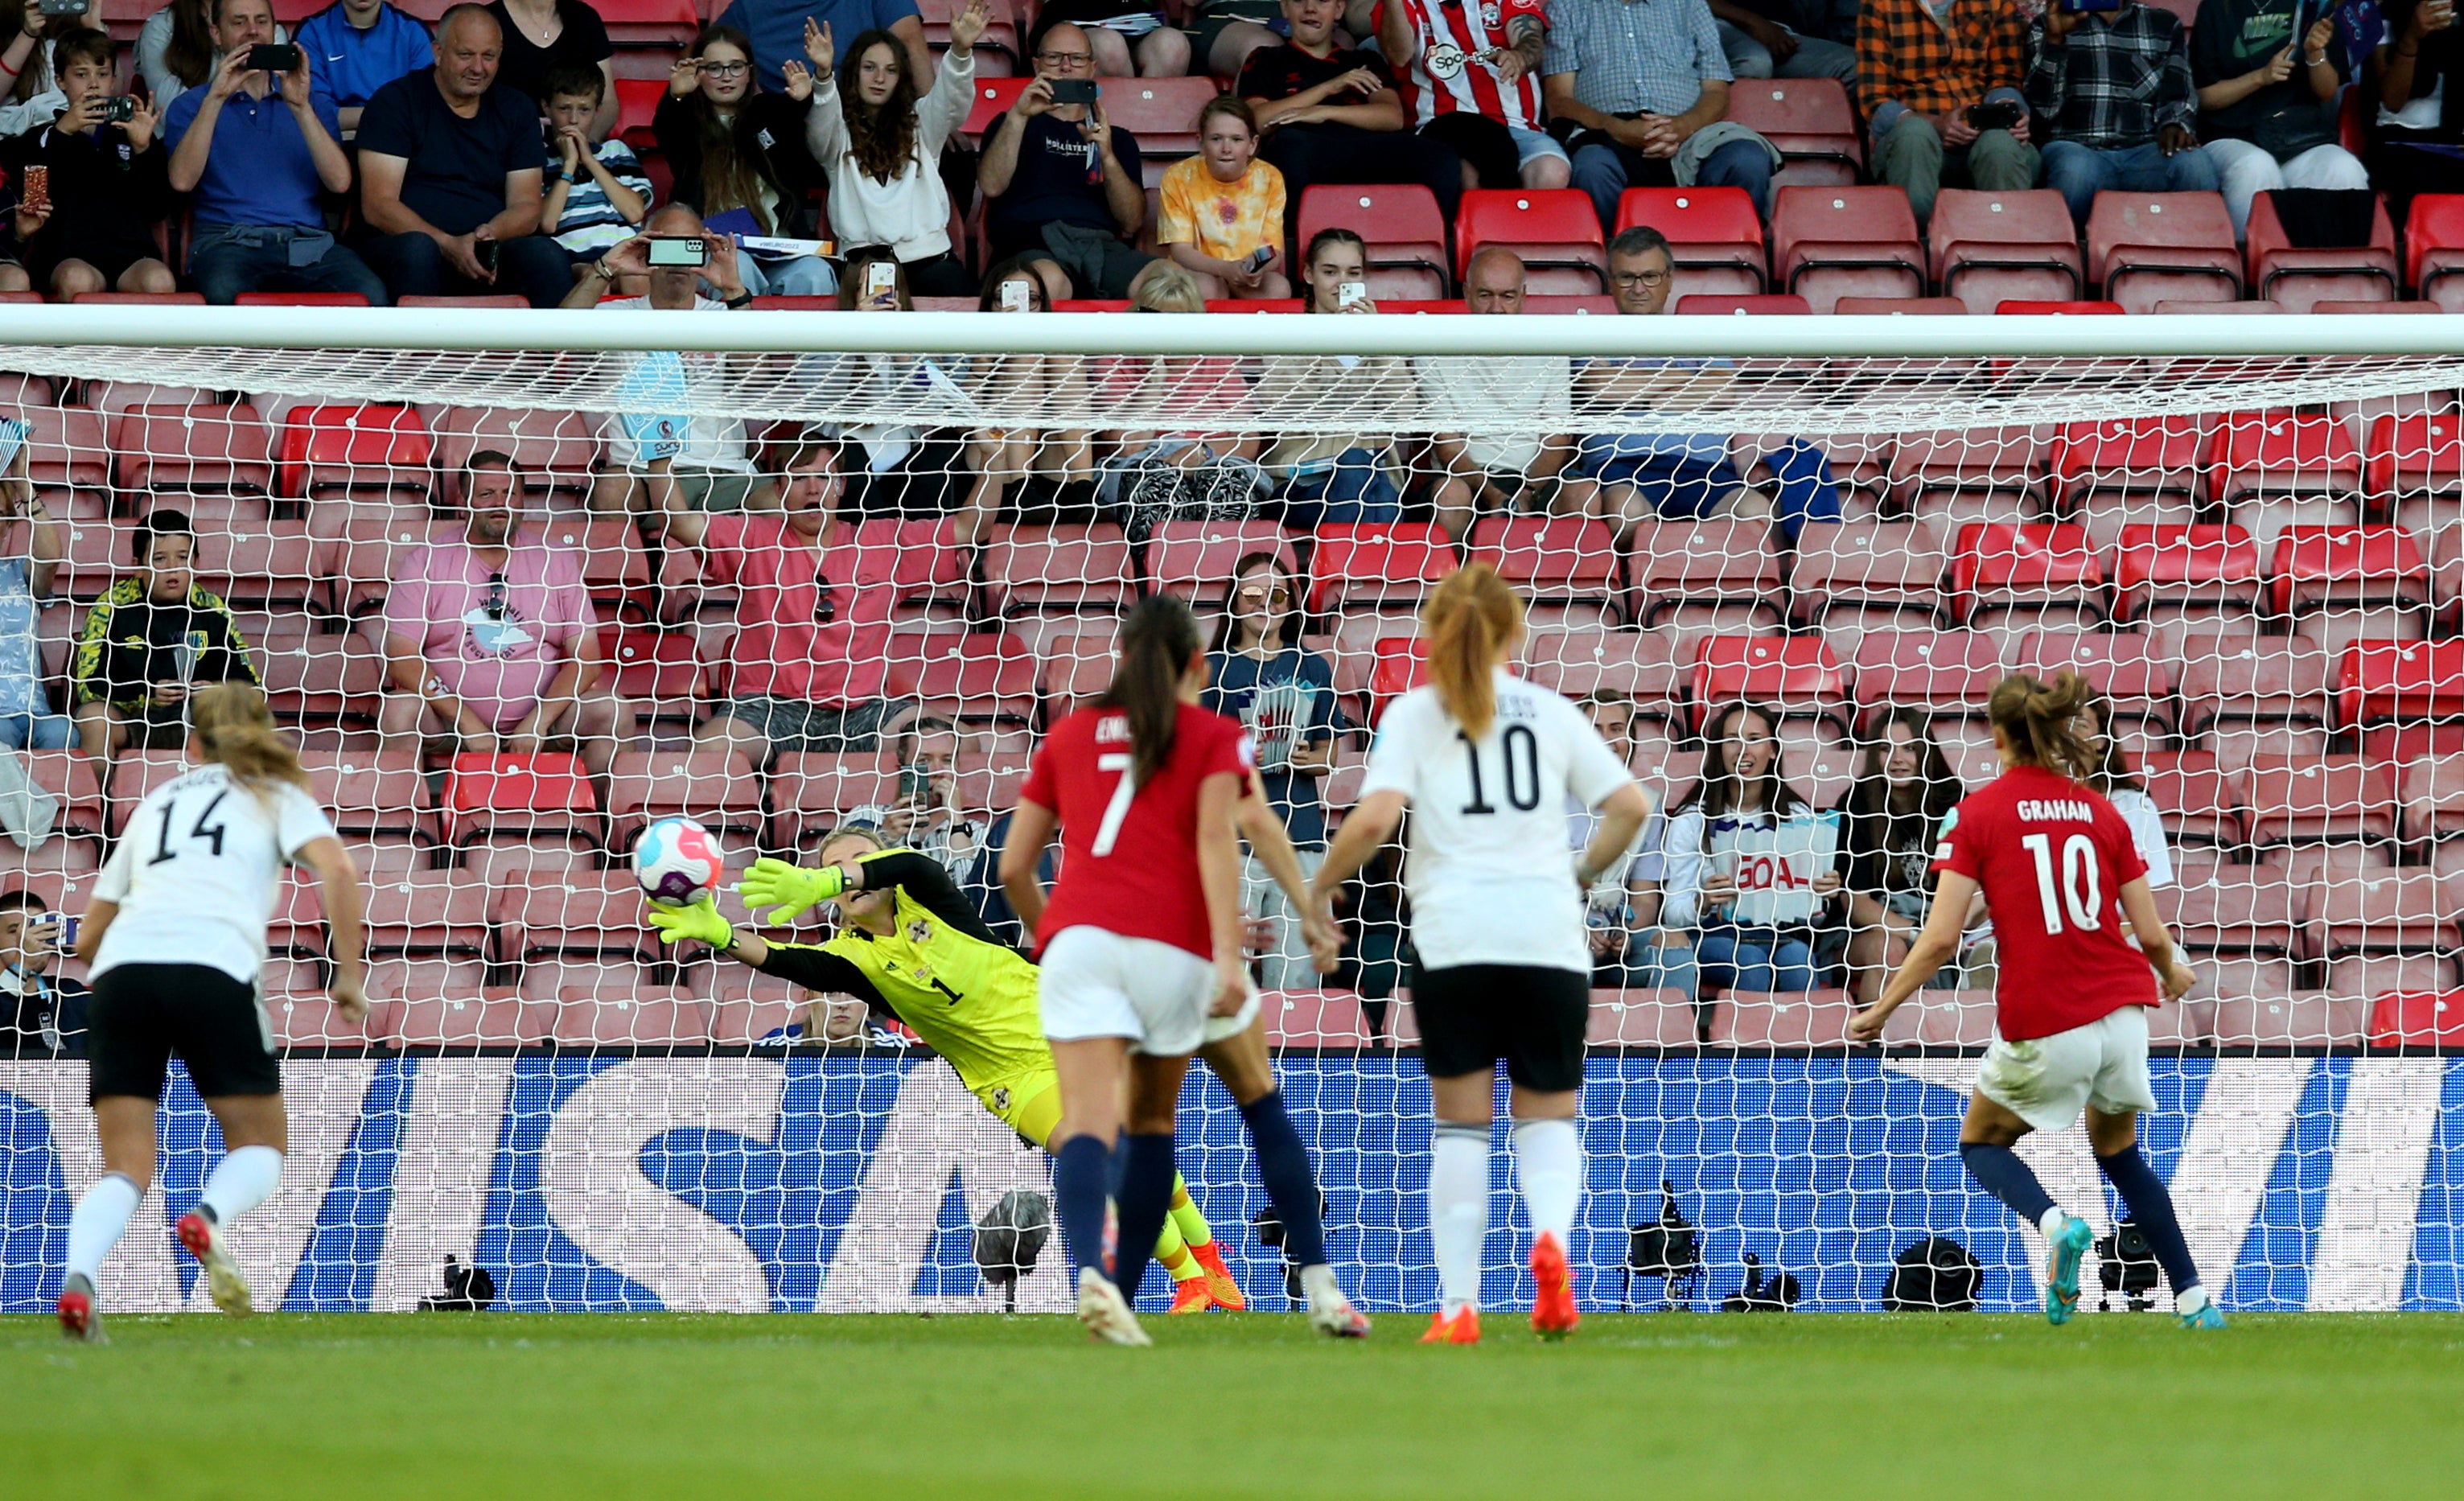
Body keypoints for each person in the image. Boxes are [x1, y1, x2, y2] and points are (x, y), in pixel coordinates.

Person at [646, 830, 1252, 1314]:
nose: (851, 875)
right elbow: (781, 958)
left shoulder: (929, 893)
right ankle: (1190, 1279)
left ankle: (1209, 1260)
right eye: (835, 870)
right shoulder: (854, 961)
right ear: (828, 901)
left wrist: (828, 873)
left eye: (859, 861)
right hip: (1010, 1076)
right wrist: (721, 933)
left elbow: (909, 863)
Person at [1000, 594, 1368, 1343]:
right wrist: (1295, 914)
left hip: (1077, 947)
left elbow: (1013, 867)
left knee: (1093, 1129)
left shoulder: (1068, 734)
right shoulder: (1208, 734)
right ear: (1198, 666)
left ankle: (1100, 1283)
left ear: (1124, 661)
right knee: (1248, 1105)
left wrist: (1056, 942)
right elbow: (1234, 832)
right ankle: (1320, 1285)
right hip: (1175, 949)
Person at [1312, 563, 1651, 1344]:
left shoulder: (1415, 714)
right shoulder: (1552, 712)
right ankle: (1553, 1248)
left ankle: (1460, 1307)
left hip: (1455, 939)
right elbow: (1631, 804)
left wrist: (1317, 887)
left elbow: (1372, 821)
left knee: (1463, 1129)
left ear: (1433, 632)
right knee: (1548, 1118)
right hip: (1545, 937)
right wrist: (1582, 872)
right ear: (1513, 631)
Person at [1847, 671, 2223, 1332]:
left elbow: (1939, 941)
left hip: (2050, 1013)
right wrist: (2172, 971)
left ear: (1995, 736)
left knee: (1981, 1143)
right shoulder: (2101, 808)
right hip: (2125, 1014)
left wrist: (1880, 1009)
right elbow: (2150, 931)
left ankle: (2057, 1226)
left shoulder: (1978, 812)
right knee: (2120, 1155)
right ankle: (2194, 1302)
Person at [55, 683, 367, 1342]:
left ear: (190, 744)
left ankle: (80, 1278)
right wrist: (348, 974)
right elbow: (337, 871)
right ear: (265, 733)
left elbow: (85, 939)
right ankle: (207, 1217)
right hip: (211, 970)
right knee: (261, 1146)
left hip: (120, 979)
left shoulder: (158, 801)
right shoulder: (277, 795)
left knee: (125, 1164)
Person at [658, 434, 912, 766]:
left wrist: (991, 461)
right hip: (770, 706)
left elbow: (970, 530)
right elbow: (680, 523)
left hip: (864, 708)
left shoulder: (880, 541)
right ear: (778, 489)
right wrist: (659, 456)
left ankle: (907, 818)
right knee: (708, 756)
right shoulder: (755, 537)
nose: (813, 488)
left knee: (953, 742)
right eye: (798, 477)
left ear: (841, 486)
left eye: (824, 477)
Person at [1573, 226, 1839, 542]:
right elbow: (1601, 387)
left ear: (1669, 279)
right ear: (1611, 282)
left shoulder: (1700, 334)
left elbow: (1722, 391)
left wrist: (1640, 392)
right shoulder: (1590, 335)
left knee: (1755, 512)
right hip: (1623, 469)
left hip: (1704, 471)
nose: (1638, 288)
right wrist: (1680, 380)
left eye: (1650, 276)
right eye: (1626, 277)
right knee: (1624, 513)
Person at [378, 450, 632, 778]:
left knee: (614, 711)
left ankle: (603, 827)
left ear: (523, 501)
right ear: (462, 500)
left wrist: (537, 723)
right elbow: (402, 657)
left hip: (545, 722)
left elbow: (586, 658)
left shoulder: (556, 559)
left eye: (509, 494)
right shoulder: (425, 561)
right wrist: (468, 724)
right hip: (448, 723)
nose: (500, 503)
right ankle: (407, 825)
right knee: (398, 710)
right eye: (486, 494)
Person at [164, 0, 387, 306]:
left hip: (309, 244)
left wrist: (300, 108)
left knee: (370, 294)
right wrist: (216, 98)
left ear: (275, 29)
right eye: (239, 22)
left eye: (262, 21)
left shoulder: (312, 104)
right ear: (216, 33)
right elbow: (181, 181)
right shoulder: (190, 105)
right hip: (228, 242)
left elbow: (339, 183)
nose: (252, 31)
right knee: (223, 293)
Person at [355, 6, 573, 306]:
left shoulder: (516, 109)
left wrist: (488, 236)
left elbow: (526, 207)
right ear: (438, 52)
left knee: (546, 256)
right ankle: (412, 354)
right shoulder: (395, 101)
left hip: (487, 250)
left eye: (489, 56)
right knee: (419, 250)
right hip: (405, 246)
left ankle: (557, 355)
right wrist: (447, 245)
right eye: (466, 55)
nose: (478, 68)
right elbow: (378, 206)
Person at [569, 208, 764, 519]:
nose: (678, 259)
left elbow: (757, 375)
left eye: (690, 247)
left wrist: (733, 290)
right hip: (639, 472)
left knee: (777, 500)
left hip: (724, 472)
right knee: (610, 490)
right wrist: (607, 267)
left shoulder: (725, 316)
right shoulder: (617, 316)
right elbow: (560, 340)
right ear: (647, 251)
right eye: (667, 246)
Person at [1203, 551, 1341, 989]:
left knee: (1297, 980)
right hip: (1233, 844)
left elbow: (1329, 753)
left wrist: (1308, 759)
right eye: (1254, 593)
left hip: (1300, 838)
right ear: (1234, 602)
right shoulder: (1213, 671)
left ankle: (1291, 1061)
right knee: (1227, 978)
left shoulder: (1313, 666)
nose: (1267, 603)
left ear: (1291, 602)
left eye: (1278, 593)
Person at [1542, 0, 1781, 230]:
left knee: (1747, 159)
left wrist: (1683, 126)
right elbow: (1559, 101)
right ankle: (1616, 262)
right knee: (1592, 166)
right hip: (1607, 134)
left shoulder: (1689, 4)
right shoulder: (1566, 6)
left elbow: (1717, 92)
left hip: (1689, 132)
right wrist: (1618, 130)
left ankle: (1725, 262)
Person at [805, 4, 986, 297]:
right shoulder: (838, 132)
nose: (879, 78)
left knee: (961, 303)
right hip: (862, 265)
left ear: (901, 77)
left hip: (930, 262)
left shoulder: (922, 124)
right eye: (869, 68)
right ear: (854, 72)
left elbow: (951, 101)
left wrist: (961, 52)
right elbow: (820, 125)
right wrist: (824, 75)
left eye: (891, 70)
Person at [1658, 700, 1838, 994]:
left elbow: (1813, 920)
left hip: (1780, 935)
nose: (1743, 750)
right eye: (1732, 740)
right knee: (1750, 961)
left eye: (1754, 740)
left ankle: (1803, 1041)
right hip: (1708, 936)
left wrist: (1823, 897)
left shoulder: (1798, 818)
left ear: (1773, 750)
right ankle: (1741, 1042)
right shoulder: (1691, 819)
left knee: (1798, 960)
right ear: (1718, 750)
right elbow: (1672, 915)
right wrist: (1703, 901)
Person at [1238, 0, 1466, 232]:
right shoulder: (1266, 58)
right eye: (1299, 1)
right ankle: (1296, 249)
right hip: (1305, 147)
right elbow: (1259, 121)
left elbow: (1392, 117)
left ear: (1339, 10)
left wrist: (1323, 112)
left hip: (1363, 146)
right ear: (1285, 8)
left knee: (1440, 157)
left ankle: (1430, 247)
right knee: (1290, 147)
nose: (1310, 8)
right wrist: (1329, 87)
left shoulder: (1363, 60)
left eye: (1323, 2)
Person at [70, 510, 260, 787]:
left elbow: (252, 687)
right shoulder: (111, 607)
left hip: (199, 723)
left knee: (239, 716)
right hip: (134, 719)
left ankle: (232, 810)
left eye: (182, 557)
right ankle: (98, 816)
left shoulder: (213, 609)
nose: (173, 567)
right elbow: (88, 686)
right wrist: (147, 694)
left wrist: (216, 692)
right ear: (138, 565)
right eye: (160, 559)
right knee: (94, 717)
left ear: (195, 562)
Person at [977, 23, 1162, 300]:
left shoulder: (1117, 138)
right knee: (1046, 283)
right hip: (1031, 243)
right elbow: (991, 186)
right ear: (1037, 65)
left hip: (1100, 247)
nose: (1066, 67)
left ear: (1092, 68)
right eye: (1054, 57)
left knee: (1169, 282)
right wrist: (1018, 116)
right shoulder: (1010, 123)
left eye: (1077, 59)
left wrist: (1108, 158)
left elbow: (1132, 222)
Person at [1417, 246, 1586, 541]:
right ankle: (1454, 586)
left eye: (1507, 296)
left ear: (1523, 296)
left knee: (1584, 494)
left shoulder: (1551, 346)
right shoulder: (1434, 347)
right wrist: (1493, 494)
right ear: (1467, 293)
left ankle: (1566, 588)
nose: (1496, 308)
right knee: (1450, 494)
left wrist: (1528, 492)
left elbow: (1557, 438)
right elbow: (1447, 446)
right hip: (1464, 478)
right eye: (1485, 295)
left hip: (1536, 479)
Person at [655, 23, 836, 299]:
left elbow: (810, 149)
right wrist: (676, 96)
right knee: (737, 266)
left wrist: (811, 92)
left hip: (782, 249)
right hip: (718, 252)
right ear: (699, 74)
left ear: (750, 71)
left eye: (736, 66)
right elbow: (668, 131)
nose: (726, 76)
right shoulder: (688, 125)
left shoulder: (770, 112)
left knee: (815, 273)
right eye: (714, 68)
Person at [0, 31, 175, 299]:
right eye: (81, 75)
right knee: (76, 279)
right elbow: (32, 201)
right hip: (68, 255)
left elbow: (158, 208)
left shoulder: (134, 134)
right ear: (60, 81)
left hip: (131, 255)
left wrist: (144, 150)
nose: (93, 84)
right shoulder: (42, 136)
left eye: (102, 74)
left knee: (160, 280)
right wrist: (63, 133)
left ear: (115, 81)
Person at [1255, 229, 1409, 526]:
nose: (1343, 283)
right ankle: (1367, 570)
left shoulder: (1382, 339)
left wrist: (1380, 345)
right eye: (1330, 272)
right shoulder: (1283, 337)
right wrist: (1324, 342)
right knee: (1356, 465)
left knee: (1361, 470)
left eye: (1353, 273)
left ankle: (1343, 572)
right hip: (1299, 486)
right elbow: (1287, 408)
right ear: (1309, 275)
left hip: (1375, 482)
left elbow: (1405, 414)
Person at [2028, 0, 2219, 231]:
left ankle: (2193, 261)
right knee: (2076, 173)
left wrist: (2175, 124)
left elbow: (2180, 94)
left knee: (2195, 165)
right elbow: (2041, 111)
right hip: (2076, 146)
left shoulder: (2163, 24)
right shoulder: (2047, 24)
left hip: (2146, 149)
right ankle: (2068, 259)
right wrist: (2055, 41)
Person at [2192, 0, 2364, 238]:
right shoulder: (2216, 8)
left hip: (2300, 137)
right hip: (2233, 135)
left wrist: (2315, 53)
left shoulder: (2311, 5)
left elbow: (2326, 92)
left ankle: (2342, 271)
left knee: (2344, 168)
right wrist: (2261, 77)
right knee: (2254, 167)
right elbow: (2205, 97)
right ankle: (2255, 268)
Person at [1854, 0, 2034, 225]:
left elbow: (2006, 78)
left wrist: (2007, 108)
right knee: (1915, 134)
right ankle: (1915, 247)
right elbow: (1875, 100)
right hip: (1913, 141)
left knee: (1999, 141)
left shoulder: (1996, 3)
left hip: (1980, 134)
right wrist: (1936, 124)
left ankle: (2007, 248)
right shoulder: (1880, 5)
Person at [1574, 692, 1697, 1000]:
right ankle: (1568, 1047)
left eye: (1616, 729)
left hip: (1617, 937)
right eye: (1595, 729)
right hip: (1558, 936)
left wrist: (1626, 933)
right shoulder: (1546, 798)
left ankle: (1669, 1046)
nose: (1606, 739)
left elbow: (1645, 900)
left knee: (1674, 941)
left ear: (1631, 739)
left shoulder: (1645, 804)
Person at [1375, 0, 1571, 191]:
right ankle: (1480, 224)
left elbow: (1531, 40)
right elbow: (1398, 55)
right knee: (1469, 172)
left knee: (1552, 171)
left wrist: (1520, 56)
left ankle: (1523, 224)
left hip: (1516, 125)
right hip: (1439, 126)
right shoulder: (1401, 4)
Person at [1837, 707, 1962, 1005]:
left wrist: (1947, 931)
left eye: (1909, 748)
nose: (1898, 759)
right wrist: (1918, 934)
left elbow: (1977, 888)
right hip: (1871, 930)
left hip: (1948, 923)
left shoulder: (1953, 800)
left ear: (1926, 752)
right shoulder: (1857, 803)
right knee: (1890, 950)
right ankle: (1877, 1046)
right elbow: (1855, 902)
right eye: (1885, 749)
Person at [962, 254, 1097, 521]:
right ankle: (1020, 490)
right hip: (994, 462)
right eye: (1004, 297)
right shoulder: (969, 340)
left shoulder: (1055, 346)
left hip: (1050, 464)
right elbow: (957, 425)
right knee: (1025, 357)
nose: (1016, 306)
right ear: (990, 303)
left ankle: (1084, 489)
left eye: (1030, 299)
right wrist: (986, 359)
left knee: (1064, 354)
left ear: (1042, 304)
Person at [1158, 94, 1290, 299]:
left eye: (1237, 139)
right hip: (1199, 271)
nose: (1226, 149)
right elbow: (1181, 251)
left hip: (1247, 274)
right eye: (1216, 139)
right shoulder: (1178, 176)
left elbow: (1273, 251)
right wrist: (1225, 269)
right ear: (1201, 141)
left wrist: (1254, 269)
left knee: (1278, 288)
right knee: (1208, 289)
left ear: (1253, 144)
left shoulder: (1270, 177)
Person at [836, 715, 988, 877]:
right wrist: (885, 838)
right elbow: (833, 897)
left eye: (947, 760)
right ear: (903, 768)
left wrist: (957, 825)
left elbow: (974, 895)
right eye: (923, 761)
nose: (937, 771)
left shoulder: (977, 833)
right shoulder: (866, 816)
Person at [0, 428, 70, 751]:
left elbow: (51, 557)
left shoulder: (19, 572)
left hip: (35, 714)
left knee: (63, 732)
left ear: (10, 523)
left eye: (1, 514)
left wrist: (23, 484)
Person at [2365, 0, 2464, 230]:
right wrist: (2411, 37)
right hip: (2399, 143)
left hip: (2454, 142)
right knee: (2429, 177)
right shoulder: (2379, 14)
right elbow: (2392, 100)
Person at [539, 60, 650, 257]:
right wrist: (569, 166)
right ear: (546, 107)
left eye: (584, 110)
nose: (573, 119)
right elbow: (547, 223)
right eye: (564, 108)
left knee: (634, 278)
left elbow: (634, 213)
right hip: (574, 258)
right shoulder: (540, 161)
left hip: (624, 255)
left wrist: (590, 161)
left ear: (597, 110)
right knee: (594, 276)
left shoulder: (616, 151)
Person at [716, 0, 929, 93]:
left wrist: (935, 119)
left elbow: (910, 43)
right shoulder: (750, 7)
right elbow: (703, 53)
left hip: (864, 117)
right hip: (785, 126)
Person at [293, 0, 433, 135]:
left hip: (399, 144)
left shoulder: (414, 32)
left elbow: (422, 112)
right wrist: (390, 115)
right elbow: (315, 114)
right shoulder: (312, 31)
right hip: (331, 142)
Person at [488, 0, 615, 135]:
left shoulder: (585, 19)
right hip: (507, 147)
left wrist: (583, 146)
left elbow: (607, 103)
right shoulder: (488, 20)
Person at [0, 890, 86, 1055]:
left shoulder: (72, 993)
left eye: (39, 929)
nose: (30, 939)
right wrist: (21, 966)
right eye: (15, 931)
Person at [1711, 0, 1857, 89]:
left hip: (1782, 33)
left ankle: (1799, 135)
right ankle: (1725, 136)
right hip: (1717, 27)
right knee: (1755, 63)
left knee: (1856, 67)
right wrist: (1752, 22)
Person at [1028, 0, 1191, 77]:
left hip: (1137, 20)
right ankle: (1115, 131)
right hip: (1073, 18)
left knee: (1172, 45)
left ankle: (1150, 126)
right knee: (1109, 47)